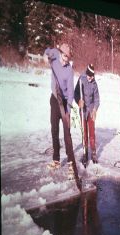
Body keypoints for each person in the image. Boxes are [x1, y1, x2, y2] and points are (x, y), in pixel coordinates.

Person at [43, 43, 76, 178]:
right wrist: (46, 55)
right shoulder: (55, 56)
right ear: (60, 53)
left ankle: (70, 163)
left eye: (68, 57)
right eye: (64, 56)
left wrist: (68, 109)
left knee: (67, 133)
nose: (65, 59)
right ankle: (56, 160)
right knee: (54, 130)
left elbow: (71, 92)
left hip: (64, 103)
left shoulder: (69, 71)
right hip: (54, 99)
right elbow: (47, 51)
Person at [74, 64, 100, 164]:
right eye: (90, 76)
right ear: (87, 74)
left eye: (93, 76)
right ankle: (85, 153)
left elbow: (97, 99)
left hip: (91, 110)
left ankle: (93, 153)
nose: (91, 78)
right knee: (84, 132)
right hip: (82, 110)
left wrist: (95, 109)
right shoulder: (81, 80)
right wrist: (78, 101)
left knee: (92, 132)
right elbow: (76, 93)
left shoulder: (94, 84)